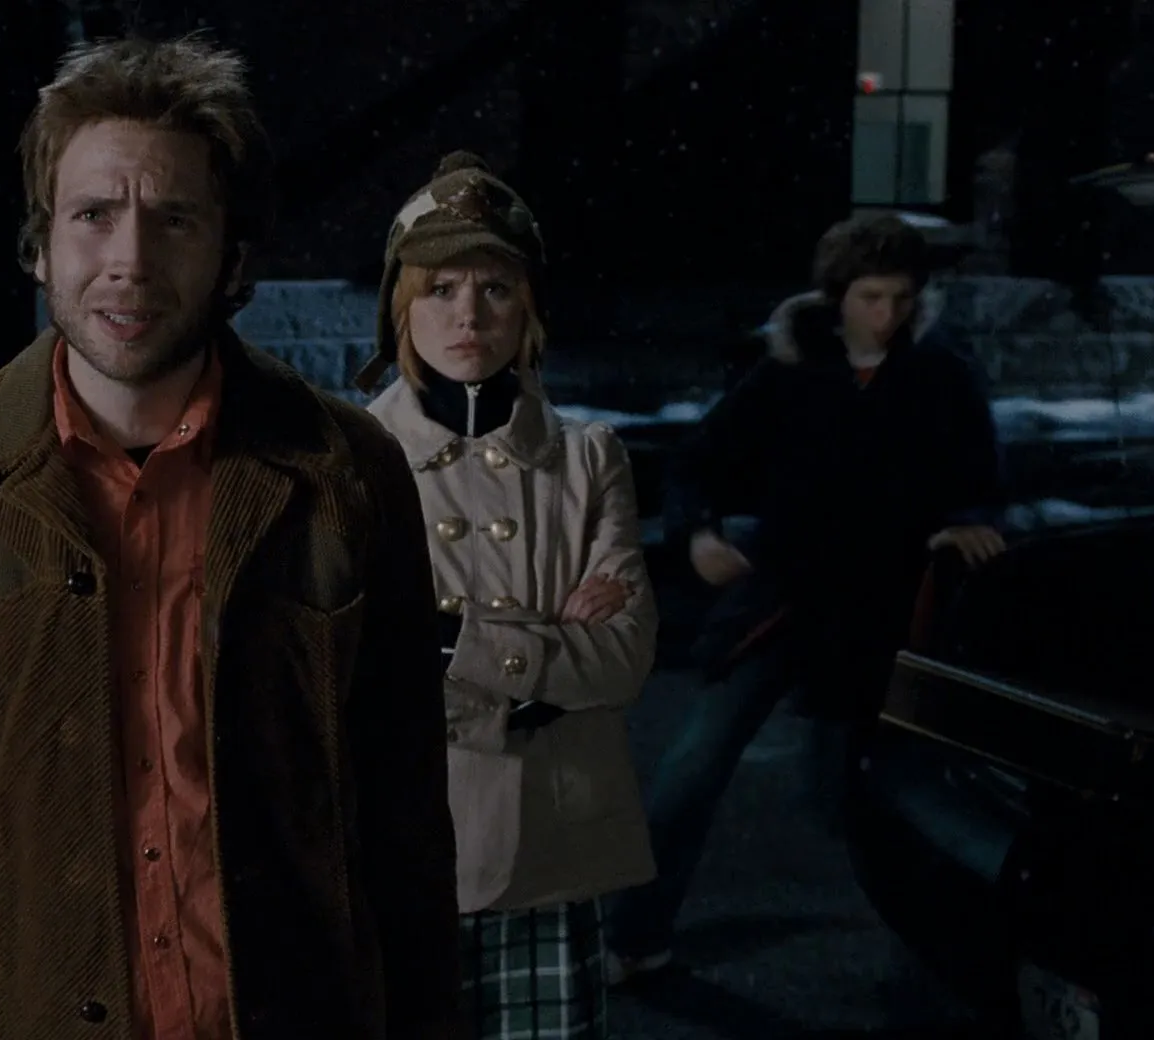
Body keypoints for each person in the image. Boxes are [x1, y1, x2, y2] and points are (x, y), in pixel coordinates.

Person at [0, 33, 464, 1040]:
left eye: (175, 219)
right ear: (40, 243)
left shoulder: (347, 468)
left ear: (232, 253)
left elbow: (406, 806)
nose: (130, 261)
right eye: (94, 215)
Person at [602, 212, 1008, 983]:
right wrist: (699, 534)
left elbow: (979, 477)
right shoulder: (789, 373)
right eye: (870, 297)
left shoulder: (940, 376)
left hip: (885, 611)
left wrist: (967, 522)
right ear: (837, 297)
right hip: (782, 600)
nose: (886, 315)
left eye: (900, 298)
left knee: (892, 787)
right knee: (693, 766)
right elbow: (700, 461)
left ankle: (948, 947)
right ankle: (634, 934)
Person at [356, 151, 660, 1040]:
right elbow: (359, 667)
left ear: (529, 305)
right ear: (401, 305)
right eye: (441, 288)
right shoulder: (353, 460)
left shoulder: (588, 457)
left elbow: (623, 658)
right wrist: (538, 662)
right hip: (404, 834)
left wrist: (451, 640)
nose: (468, 315)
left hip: (550, 839)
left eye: (495, 287)